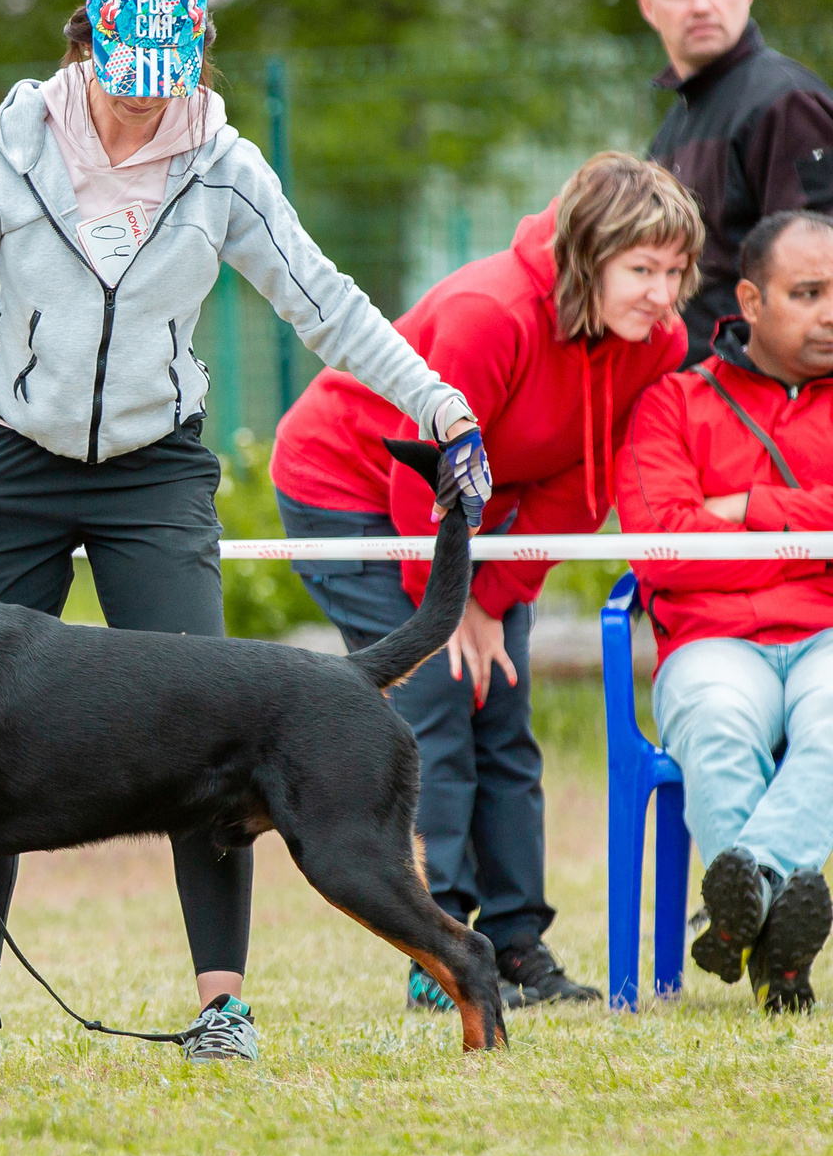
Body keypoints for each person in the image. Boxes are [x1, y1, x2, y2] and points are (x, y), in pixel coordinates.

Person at [0, 0, 486, 1064]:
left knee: (207, 716)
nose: (143, 111)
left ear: (195, 59)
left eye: (165, 84)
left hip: (155, 467)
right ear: (85, 47)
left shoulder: (224, 166)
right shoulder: (9, 144)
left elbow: (323, 302)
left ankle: (219, 1003)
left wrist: (438, 405)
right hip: (9, 454)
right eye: (125, 84)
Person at [273, 153, 703, 1012]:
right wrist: (456, 604)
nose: (665, 294)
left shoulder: (659, 344)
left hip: (482, 511)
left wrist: (492, 602)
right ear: (588, 257)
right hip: (357, 485)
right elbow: (414, 473)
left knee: (501, 712)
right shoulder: (490, 313)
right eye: (642, 269)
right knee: (435, 699)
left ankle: (518, 947)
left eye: (677, 271)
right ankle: (440, 944)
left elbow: (577, 493)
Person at [618, 208, 833, 1012]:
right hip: (712, 642)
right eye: (807, 293)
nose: (830, 312)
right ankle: (781, 943)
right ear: (749, 298)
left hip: (826, 636)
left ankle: (754, 897)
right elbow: (664, 547)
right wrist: (814, 530)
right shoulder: (669, 405)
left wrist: (747, 507)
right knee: (713, 721)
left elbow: (701, 535)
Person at [641, 0, 833, 363]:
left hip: (760, 405)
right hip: (694, 395)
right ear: (648, 6)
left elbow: (819, 274)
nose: (702, 5)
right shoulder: (681, 118)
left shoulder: (786, 104)